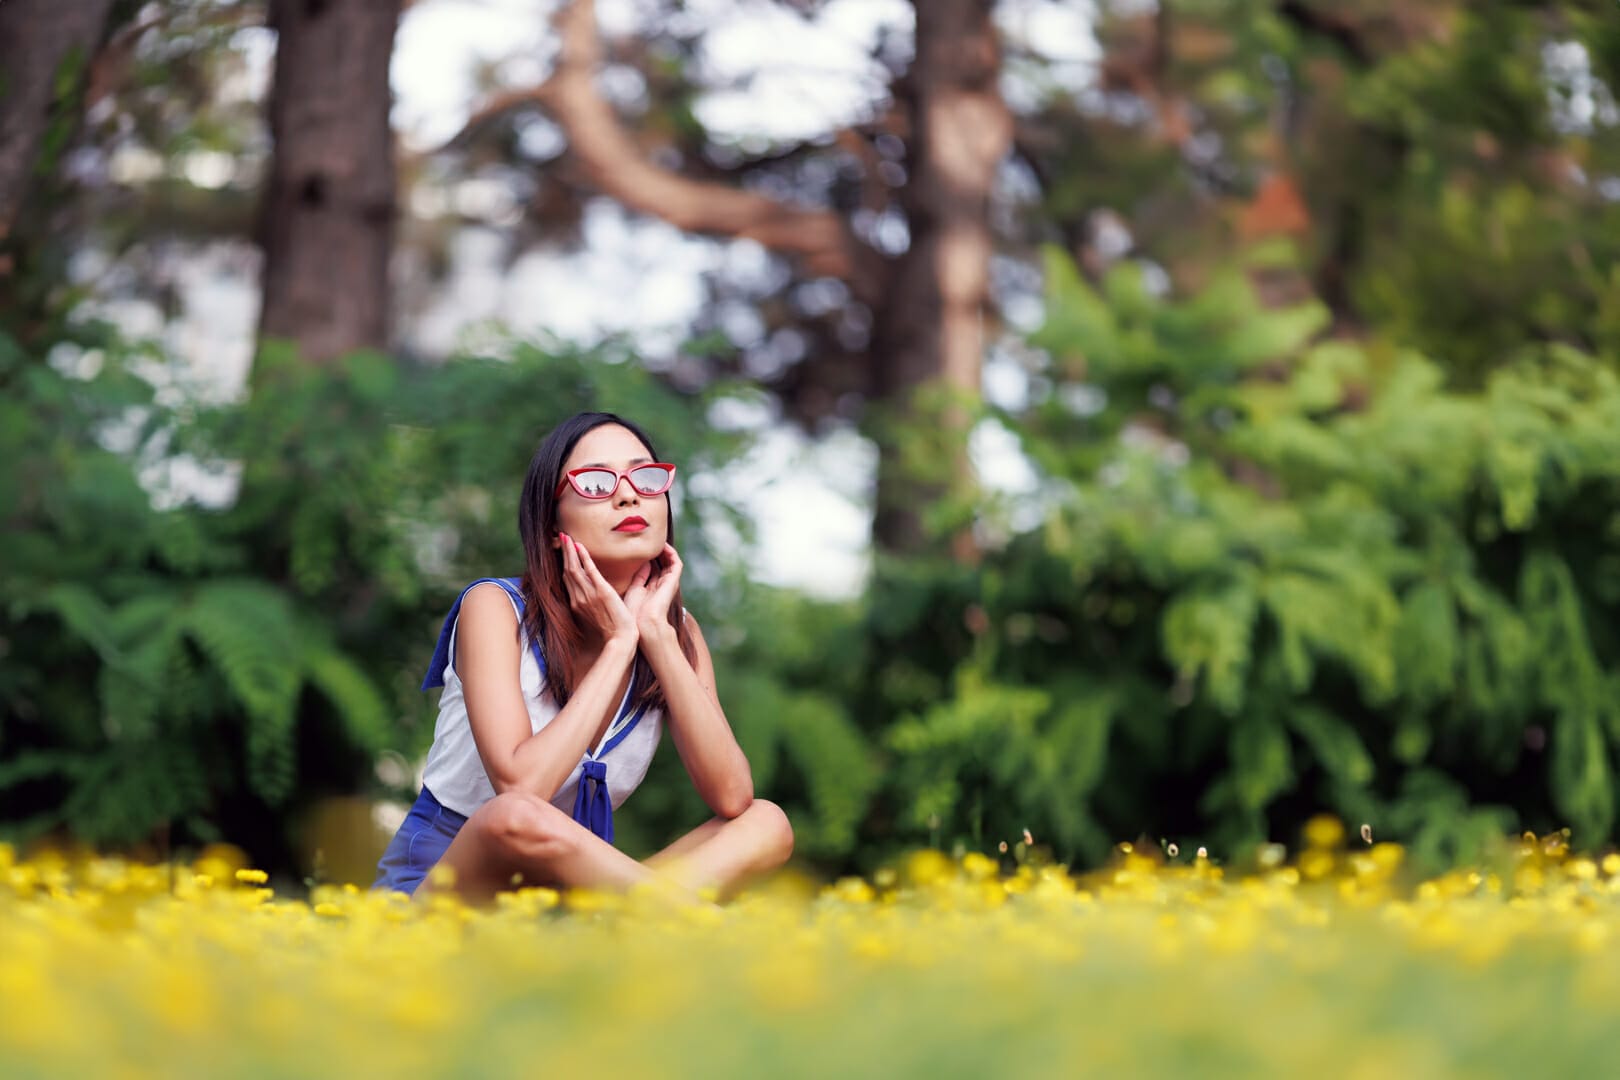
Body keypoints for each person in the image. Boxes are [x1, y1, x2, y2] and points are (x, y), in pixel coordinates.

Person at [374, 412, 793, 902]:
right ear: (552, 525)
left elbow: (731, 795)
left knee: (766, 822)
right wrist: (619, 644)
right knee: (513, 815)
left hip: (569, 899)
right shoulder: (492, 608)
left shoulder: (679, 633)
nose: (628, 494)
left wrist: (654, 633)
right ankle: (673, 917)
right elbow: (521, 789)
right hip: (444, 886)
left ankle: (626, 921)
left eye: (645, 476)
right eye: (595, 482)